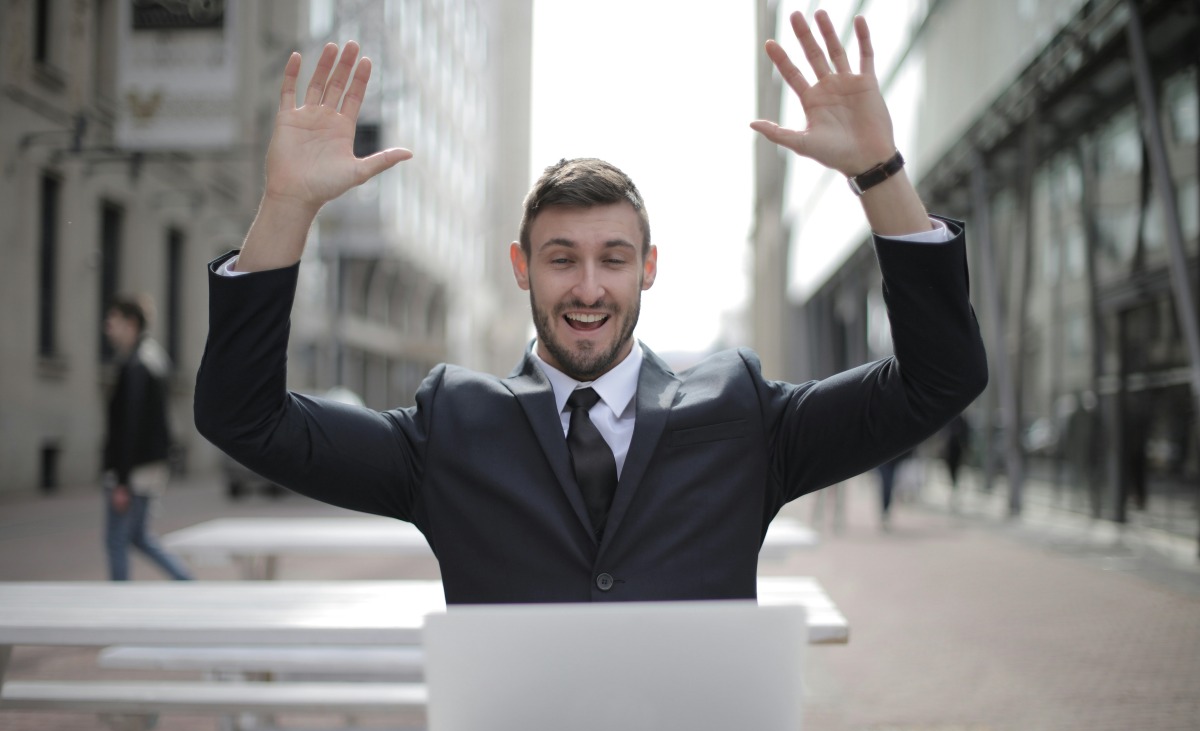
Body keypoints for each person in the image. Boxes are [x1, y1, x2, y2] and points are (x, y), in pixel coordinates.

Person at [195, 11, 987, 603]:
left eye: (613, 259)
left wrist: (880, 174)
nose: (586, 288)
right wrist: (287, 207)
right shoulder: (450, 430)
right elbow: (244, 418)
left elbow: (939, 380)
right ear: (521, 269)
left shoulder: (744, 417)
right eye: (561, 259)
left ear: (648, 270)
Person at [102, 295, 192, 581]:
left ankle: (120, 604)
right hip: (148, 466)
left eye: (113, 321)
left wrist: (122, 480)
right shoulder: (150, 358)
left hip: (135, 469)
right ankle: (188, 583)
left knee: (117, 539)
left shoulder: (138, 364)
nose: (108, 328)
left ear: (131, 324)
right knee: (138, 536)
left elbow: (131, 427)